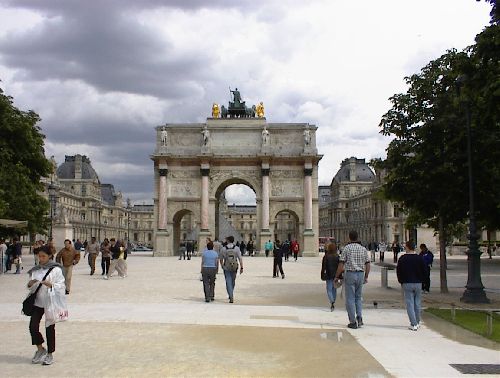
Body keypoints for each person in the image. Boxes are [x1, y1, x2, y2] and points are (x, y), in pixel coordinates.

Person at [27, 246, 65, 365]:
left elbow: (62, 286)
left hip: (50, 303)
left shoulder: (56, 270)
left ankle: (50, 354)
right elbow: (30, 287)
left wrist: (51, 285)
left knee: (49, 329)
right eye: (39, 256)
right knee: (33, 326)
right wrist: (30, 283)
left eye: (43, 256)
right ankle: (40, 349)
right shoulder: (35, 270)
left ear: (49, 256)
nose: (41, 259)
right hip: (38, 302)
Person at [335, 230, 370, 329]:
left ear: (349, 237)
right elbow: (368, 264)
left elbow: (341, 264)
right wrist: (366, 276)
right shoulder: (363, 249)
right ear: (357, 237)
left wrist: (337, 276)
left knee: (350, 298)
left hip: (350, 273)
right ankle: (359, 317)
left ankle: (352, 321)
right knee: (358, 297)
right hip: (361, 274)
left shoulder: (347, 248)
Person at [397, 241, 427, 331]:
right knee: (417, 303)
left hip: (407, 282)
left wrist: (401, 281)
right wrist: (423, 281)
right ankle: (417, 322)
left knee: (409, 303)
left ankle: (413, 323)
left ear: (407, 247)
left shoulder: (402, 258)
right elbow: (425, 271)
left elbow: (399, 271)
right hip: (418, 283)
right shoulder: (420, 258)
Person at [219, 236, 243, 303]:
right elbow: (240, 258)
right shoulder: (237, 248)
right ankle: (231, 292)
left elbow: (220, 259)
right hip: (234, 266)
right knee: (233, 281)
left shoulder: (223, 249)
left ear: (228, 241)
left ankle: (231, 295)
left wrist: (222, 266)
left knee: (228, 281)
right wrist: (241, 267)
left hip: (226, 267)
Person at [321, 242, 340, 311]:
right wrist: (339, 275)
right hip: (335, 275)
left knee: (329, 289)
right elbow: (339, 266)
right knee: (334, 289)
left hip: (328, 274)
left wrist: (322, 274)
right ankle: (333, 301)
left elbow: (323, 267)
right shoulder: (337, 256)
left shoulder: (326, 256)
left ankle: (332, 301)